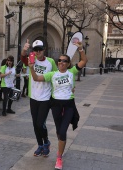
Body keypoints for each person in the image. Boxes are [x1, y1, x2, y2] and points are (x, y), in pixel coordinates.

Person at [28, 41, 87, 170]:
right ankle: (51, 145)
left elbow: (83, 61)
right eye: (59, 60)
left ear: (68, 63)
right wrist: (31, 68)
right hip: (56, 105)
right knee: (59, 132)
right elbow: (37, 78)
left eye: (64, 61)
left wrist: (81, 49)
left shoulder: (71, 72)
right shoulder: (52, 74)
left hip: (69, 105)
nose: (61, 62)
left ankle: (59, 158)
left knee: (62, 132)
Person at [20, 39, 58, 157]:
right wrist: (24, 50)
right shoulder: (32, 60)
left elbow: (56, 76)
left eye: (40, 49)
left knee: (40, 123)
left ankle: (46, 142)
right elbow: (22, 59)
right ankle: (40, 145)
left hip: (45, 98)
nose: (38, 52)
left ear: (44, 49)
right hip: (34, 97)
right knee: (35, 124)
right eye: (35, 50)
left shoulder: (50, 62)